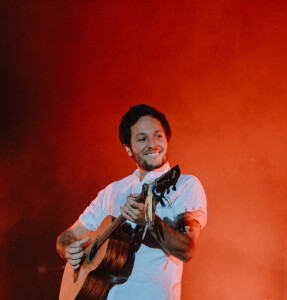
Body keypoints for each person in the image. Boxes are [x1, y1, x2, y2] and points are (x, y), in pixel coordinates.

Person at [56, 104, 207, 300]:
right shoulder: (111, 192)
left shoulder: (184, 185)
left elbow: (187, 250)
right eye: (142, 138)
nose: (153, 144)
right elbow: (66, 237)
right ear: (128, 148)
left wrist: (150, 221)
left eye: (158, 136)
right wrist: (69, 249)